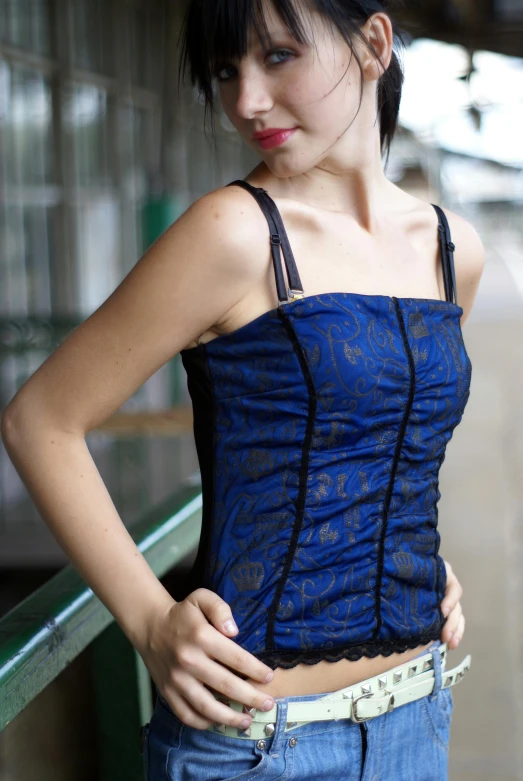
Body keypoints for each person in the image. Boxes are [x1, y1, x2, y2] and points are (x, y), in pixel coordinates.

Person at [0, 0, 484, 778]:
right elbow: (40, 421)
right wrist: (152, 620)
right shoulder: (233, 232)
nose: (246, 100)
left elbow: (387, 440)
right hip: (258, 742)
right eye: (226, 72)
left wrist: (413, 559)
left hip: (415, 716)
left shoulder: (450, 250)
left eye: (278, 56)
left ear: (373, 44)